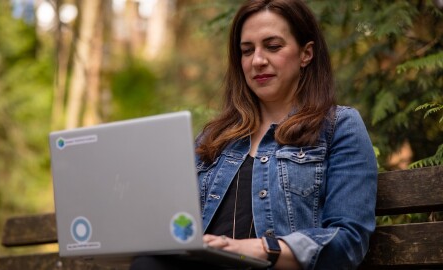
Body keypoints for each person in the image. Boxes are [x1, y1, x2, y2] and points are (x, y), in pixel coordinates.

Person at [131, 0, 377, 269]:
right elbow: (176, 225)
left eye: (273, 46)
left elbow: (348, 241)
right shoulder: (214, 139)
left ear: (306, 53)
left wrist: (257, 249)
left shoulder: (338, 126)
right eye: (247, 51)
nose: (258, 61)